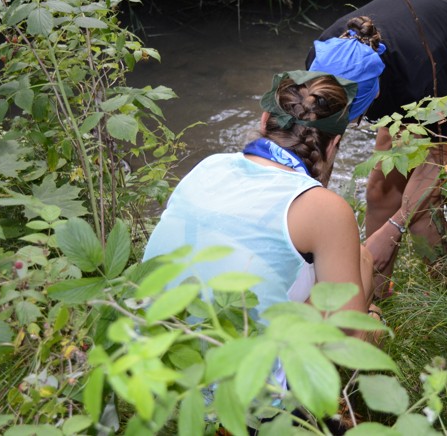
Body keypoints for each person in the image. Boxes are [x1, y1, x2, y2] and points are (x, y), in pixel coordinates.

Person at [142, 69, 379, 341]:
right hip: (241, 374)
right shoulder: (325, 207)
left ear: (264, 120)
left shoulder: (209, 165)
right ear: (333, 144)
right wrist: (371, 318)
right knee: (360, 262)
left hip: (150, 345)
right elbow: (350, 329)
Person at [305, 0, 447, 297]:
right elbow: (317, 141)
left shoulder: (423, 77)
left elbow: (443, 155)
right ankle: (374, 303)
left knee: (420, 216)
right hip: (410, 69)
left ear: (376, 97)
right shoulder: (321, 59)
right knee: (379, 193)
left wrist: (392, 230)